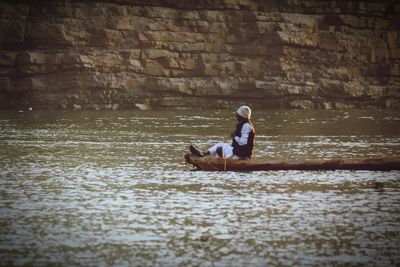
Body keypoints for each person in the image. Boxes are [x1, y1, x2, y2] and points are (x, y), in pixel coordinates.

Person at [190, 105, 255, 159]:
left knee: (219, 149)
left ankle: (215, 160)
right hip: (237, 151)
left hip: (241, 155)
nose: (236, 115)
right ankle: (203, 154)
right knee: (219, 144)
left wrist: (235, 136)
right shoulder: (243, 124)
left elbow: (243, 143)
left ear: (242, 116)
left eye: (237, 114)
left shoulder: (246, 126)